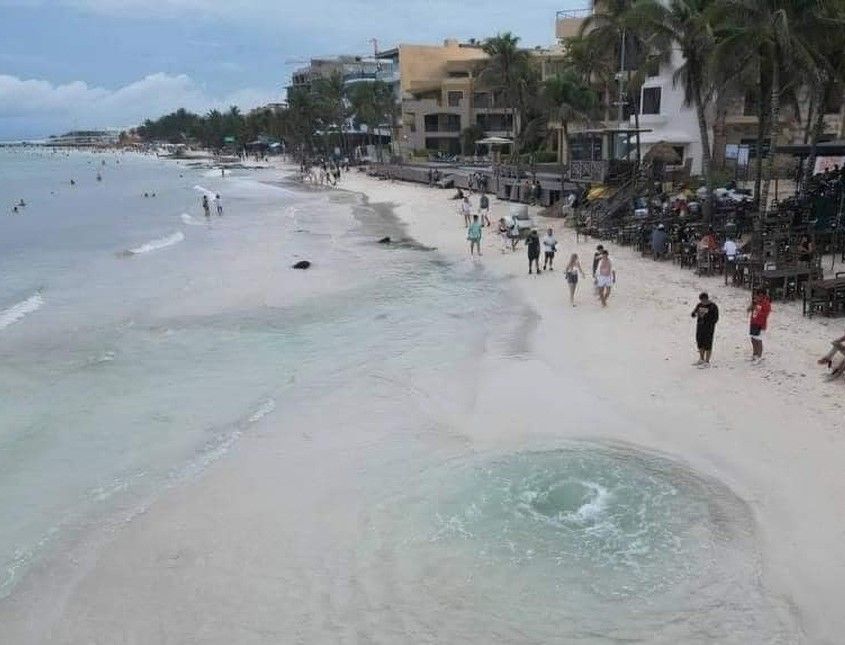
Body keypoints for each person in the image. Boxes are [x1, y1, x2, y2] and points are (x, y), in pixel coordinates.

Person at [691, 292, 719, 367]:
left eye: (703, 300)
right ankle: (701, 358)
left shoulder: (713, 306)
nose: (702, 302)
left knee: (708, 343)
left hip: (709, 327)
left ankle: (707, 361)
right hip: (700, 326)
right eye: (701, 300)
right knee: (700, 342)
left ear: (706, 299)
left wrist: (708, 319)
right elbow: (693, 313)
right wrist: (695, 314)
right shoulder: (699, 305)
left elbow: (716, 318)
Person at [748, 288, 772, 363]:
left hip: (760, 324)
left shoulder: (766, 303)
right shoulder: (755, 302)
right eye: (758, 295)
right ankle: (754, 353)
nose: (759, 297)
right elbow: (749, 310)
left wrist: (758, 310)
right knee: (753, 339)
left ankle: (759, 355)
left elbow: (766, 314)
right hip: (753, 322)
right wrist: (752, 306)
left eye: (761, 296)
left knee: (758, 340)